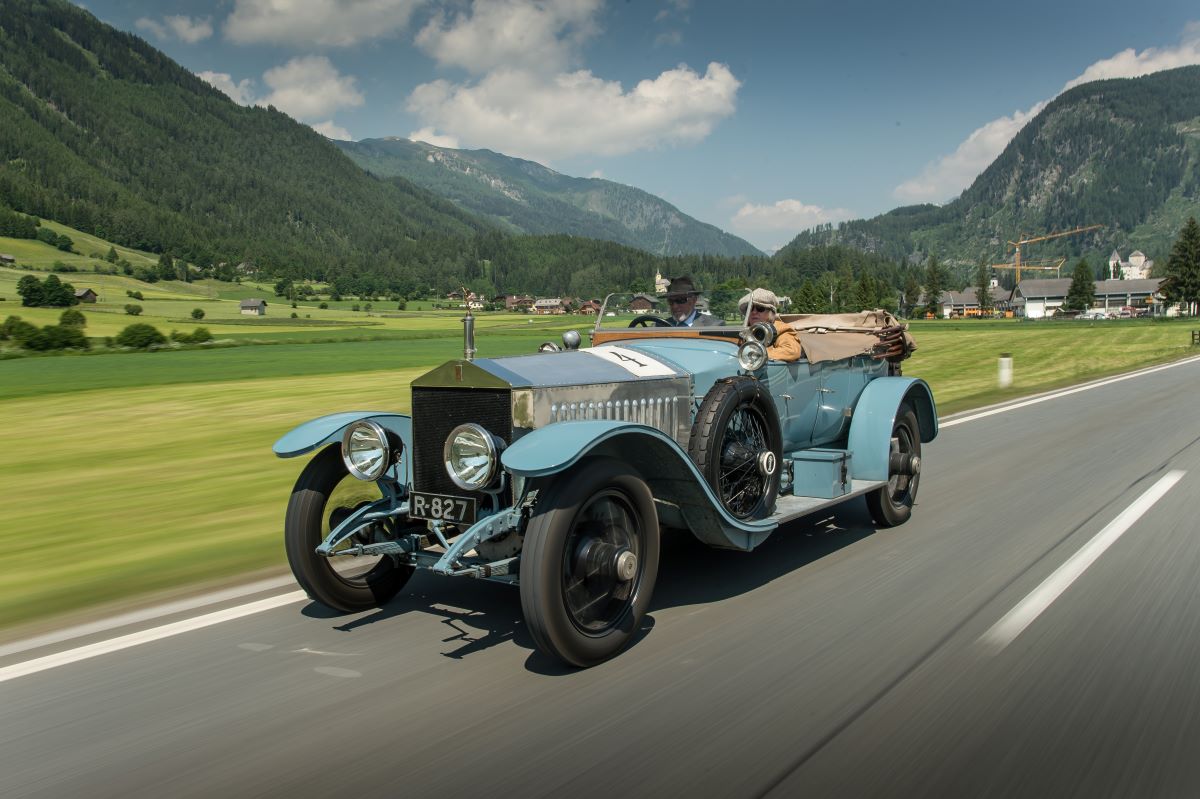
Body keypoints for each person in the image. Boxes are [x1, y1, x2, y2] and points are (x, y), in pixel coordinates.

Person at [739, 288, 802, 362]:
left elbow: (792, 351)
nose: (754, 312)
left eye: (760, 308)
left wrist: (756, 354)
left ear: (771, 313)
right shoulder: (744, 331)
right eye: (749, 308)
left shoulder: (781, 330)